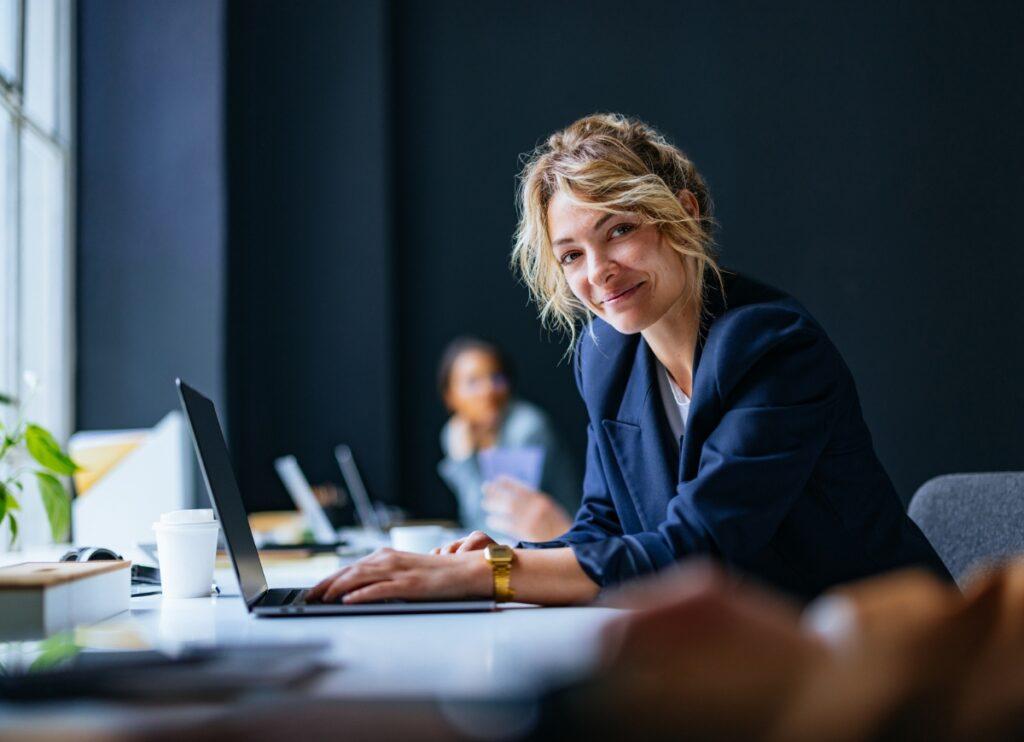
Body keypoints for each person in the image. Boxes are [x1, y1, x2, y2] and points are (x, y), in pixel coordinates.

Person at [308, 113, 951, 606]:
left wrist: (489, 576)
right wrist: (507, 554)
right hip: (746, 658)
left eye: (618, 229)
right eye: (571, 254)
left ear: (682, 214)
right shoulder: (607, 357)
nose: (600, 274)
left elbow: (700, 549)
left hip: (889, 659)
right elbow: (601, 528)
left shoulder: (774, 348)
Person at [436, 336, 580, 540]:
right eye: (473, 382)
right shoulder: (456, 433)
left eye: (496, 378)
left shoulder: (527, 428)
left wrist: (464, 462)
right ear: (450, 396)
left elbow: (503, 524)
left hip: (560, 543)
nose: (488, 390)